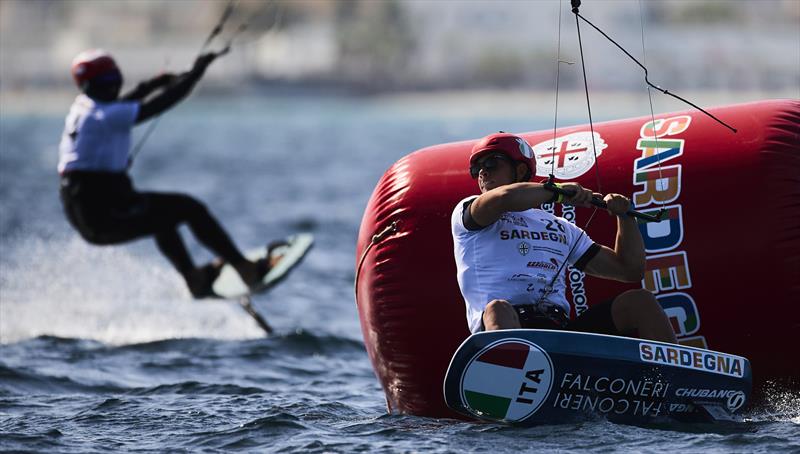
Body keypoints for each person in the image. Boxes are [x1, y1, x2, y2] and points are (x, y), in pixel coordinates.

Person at [58, 49, 280, 298]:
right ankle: (246, 270)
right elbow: (162, 103)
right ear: (89, 85)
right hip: (101, 214)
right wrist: (196, 73)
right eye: (106, 82)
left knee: (162, 217)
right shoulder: (105, 115)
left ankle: (194, 279)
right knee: (191, 209)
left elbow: (126, 103)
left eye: (115, 79)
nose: (113, 86)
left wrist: (153, 84)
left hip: (95, 207)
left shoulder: (84, 107)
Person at [451, 132, 676, 343]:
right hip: (509, 324)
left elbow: (629, 270)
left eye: (491, 163)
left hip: (559, 330)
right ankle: (506, 364)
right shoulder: (468, 211)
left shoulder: (561, 227)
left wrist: (625, 217)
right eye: (476, 168)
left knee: (641, 302)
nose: (482, 172)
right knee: (497, 309)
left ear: (520, 170)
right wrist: (558, 192)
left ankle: (670, 371)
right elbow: (503, 199)